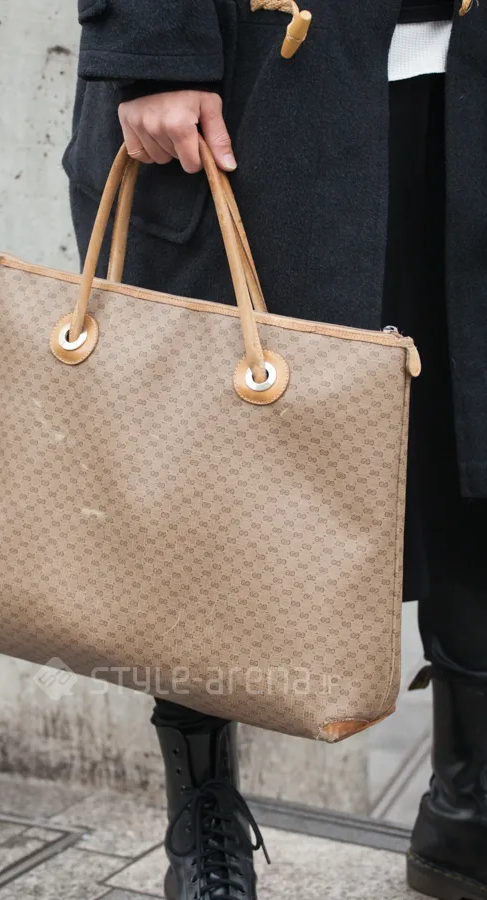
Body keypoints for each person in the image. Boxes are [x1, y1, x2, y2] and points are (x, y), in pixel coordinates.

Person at [63, 1, 487, 898]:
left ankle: (469, 811)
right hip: (261, 71)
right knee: (207, 457)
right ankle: (203, 825)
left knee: (472, 433)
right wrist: (152, 49)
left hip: (464, 66)